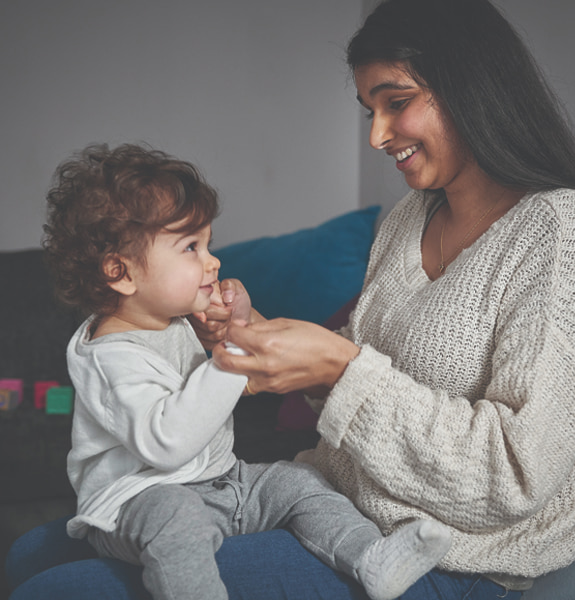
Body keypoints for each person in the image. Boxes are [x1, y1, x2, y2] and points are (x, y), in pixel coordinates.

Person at [5, 1, 575, 599]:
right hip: (341, 504)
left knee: (51, 591)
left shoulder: (564, 232)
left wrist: (339, 367)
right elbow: (366, 383)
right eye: (370, 110)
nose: (376, 135)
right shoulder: (407, 220)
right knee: (29, 552)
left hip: (447, 551)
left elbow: (518, 477)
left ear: (473, 88)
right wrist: (261, 340)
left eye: (396, 103)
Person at [40, 142, 451, 600]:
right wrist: (232, 351)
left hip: (221, 484)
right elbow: (168, 442)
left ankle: (369, 557)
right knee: (176, 518)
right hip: (138, 503)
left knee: (298, 481)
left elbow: (208, 379)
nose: (212, 261)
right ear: (121, 272)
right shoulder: (110, 358)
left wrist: (230, 325)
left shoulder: (168, 318)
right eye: (190, 247)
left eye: (208, 244)